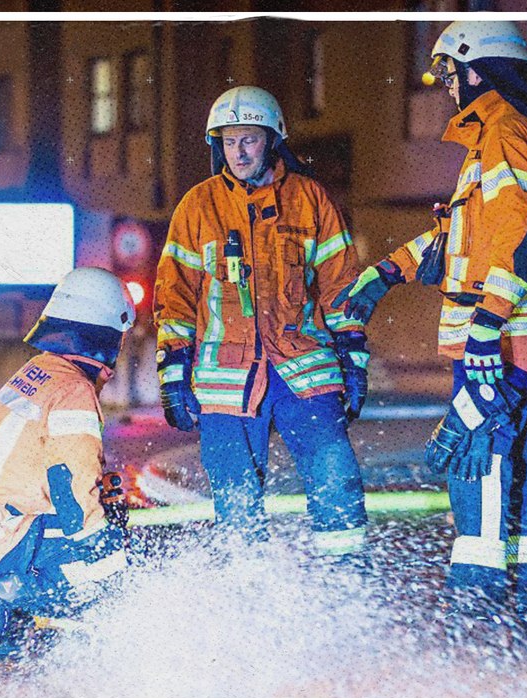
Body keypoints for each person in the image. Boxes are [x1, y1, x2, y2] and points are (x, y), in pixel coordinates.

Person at [333, 20, 527, 620]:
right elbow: (458, 238)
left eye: (448, 73)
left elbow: (522, 232)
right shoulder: (490, 141)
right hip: (497, 341)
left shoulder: (505, 134)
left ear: (479, 71)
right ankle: (518, 604)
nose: (444, 85)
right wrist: (386, 273)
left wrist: (488, 324)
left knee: (477, 459)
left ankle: (481, 605)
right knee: (504, 462)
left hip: (498, 343)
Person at [153, 86, 370, 558]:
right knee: (236, 504)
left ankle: (347, 577)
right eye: (229, 142)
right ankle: (248, 592)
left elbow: (340, 286)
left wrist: (354, 359)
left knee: (336, 478)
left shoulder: (310, 200)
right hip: (225, 381)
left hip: (303, 368)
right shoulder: (197, 206)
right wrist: (172, 372)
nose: (238, 152)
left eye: (248, 139)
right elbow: (175, 296)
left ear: (272, 140)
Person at [0, 267, 135, 653]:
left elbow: (42, 465)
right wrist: (105, 548)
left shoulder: (39, 372)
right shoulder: (74, 390)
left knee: (101, 534)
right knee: (109, 567)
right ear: (107, 334)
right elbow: (69, 483)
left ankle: (6, 593)